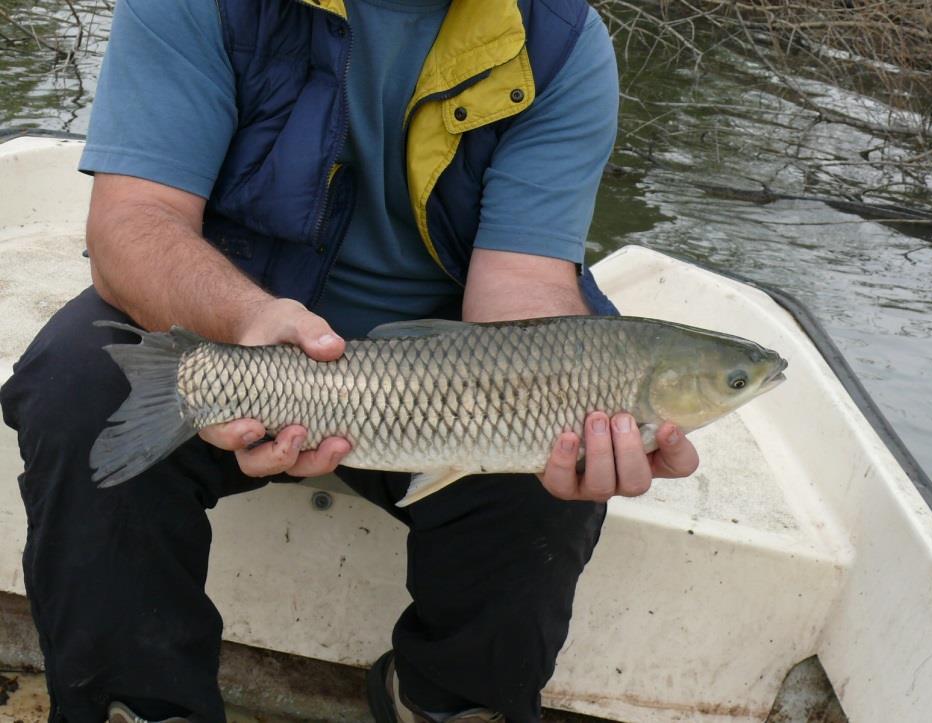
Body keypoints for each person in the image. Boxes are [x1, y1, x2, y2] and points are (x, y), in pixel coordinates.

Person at [0, 0, 700, 721]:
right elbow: (133, 222)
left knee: (549, 455)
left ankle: (445, 698)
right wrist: (247, 320)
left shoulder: (558, 40)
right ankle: (137, 701)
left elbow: (521, 285)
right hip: (232, 328)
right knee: (78, 386)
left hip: (438, 379)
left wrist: (574, 412)